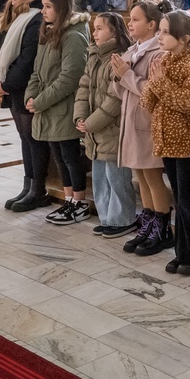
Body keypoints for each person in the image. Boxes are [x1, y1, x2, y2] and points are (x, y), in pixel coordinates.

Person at [141, 10, 190, 272]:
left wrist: (161, 83)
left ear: (184, 38)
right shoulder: (164, 60)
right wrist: (154, 82)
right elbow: (147, 102)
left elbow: (189, 103)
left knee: (186, 198)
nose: (159, 36)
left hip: (189, 140)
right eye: (159, 31)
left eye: (165, 32)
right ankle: (184, 252)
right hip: (167, 140)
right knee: (179, 197)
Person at [0, 0, 51, 211]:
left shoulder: (36, 18)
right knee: (25, 138)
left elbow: (27, 58)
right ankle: (28, 187)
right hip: (12, 87)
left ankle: (39, 190)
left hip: (26, 86)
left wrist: (7, 84)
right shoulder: (12, 15)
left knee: (34, 139)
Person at [25, 0, 90, 225]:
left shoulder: (73, 36)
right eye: (42, 6)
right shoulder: (51, 31)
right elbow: (36, 71)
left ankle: (80, 204)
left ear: (61, 8)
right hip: (49, 106)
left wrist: (40, 101)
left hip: (65, 106)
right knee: (60, 157)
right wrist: (30, 96)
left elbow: (70, 78)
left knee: (70, 156)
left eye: (48, 6)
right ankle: (69, 200)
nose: (43, 11)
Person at [113, 1, 172, 255]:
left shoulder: (159, 54)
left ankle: (162, 230)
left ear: (151, 24)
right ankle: (148, 226)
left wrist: (126, 75)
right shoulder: (133, 50)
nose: (130, 23)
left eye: (136, 19)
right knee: (141, 178)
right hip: (130, 121)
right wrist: (118, 76)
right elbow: (121, 91)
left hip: (147, 125)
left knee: (153, 178)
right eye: (130, 18)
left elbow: (154, 91)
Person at [74, 12, 135, 238]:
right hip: (94, 129)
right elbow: (83, 88)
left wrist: (91, 122)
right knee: (100, 177)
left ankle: (123, 220)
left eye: (100, 28)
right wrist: (80, 117)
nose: (94, 33)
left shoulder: (119, 58)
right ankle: (107, 218)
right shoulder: (94, 56)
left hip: (113, 129)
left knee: (117, 178)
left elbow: (115, 98)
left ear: (114, 31)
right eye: (94, 28)